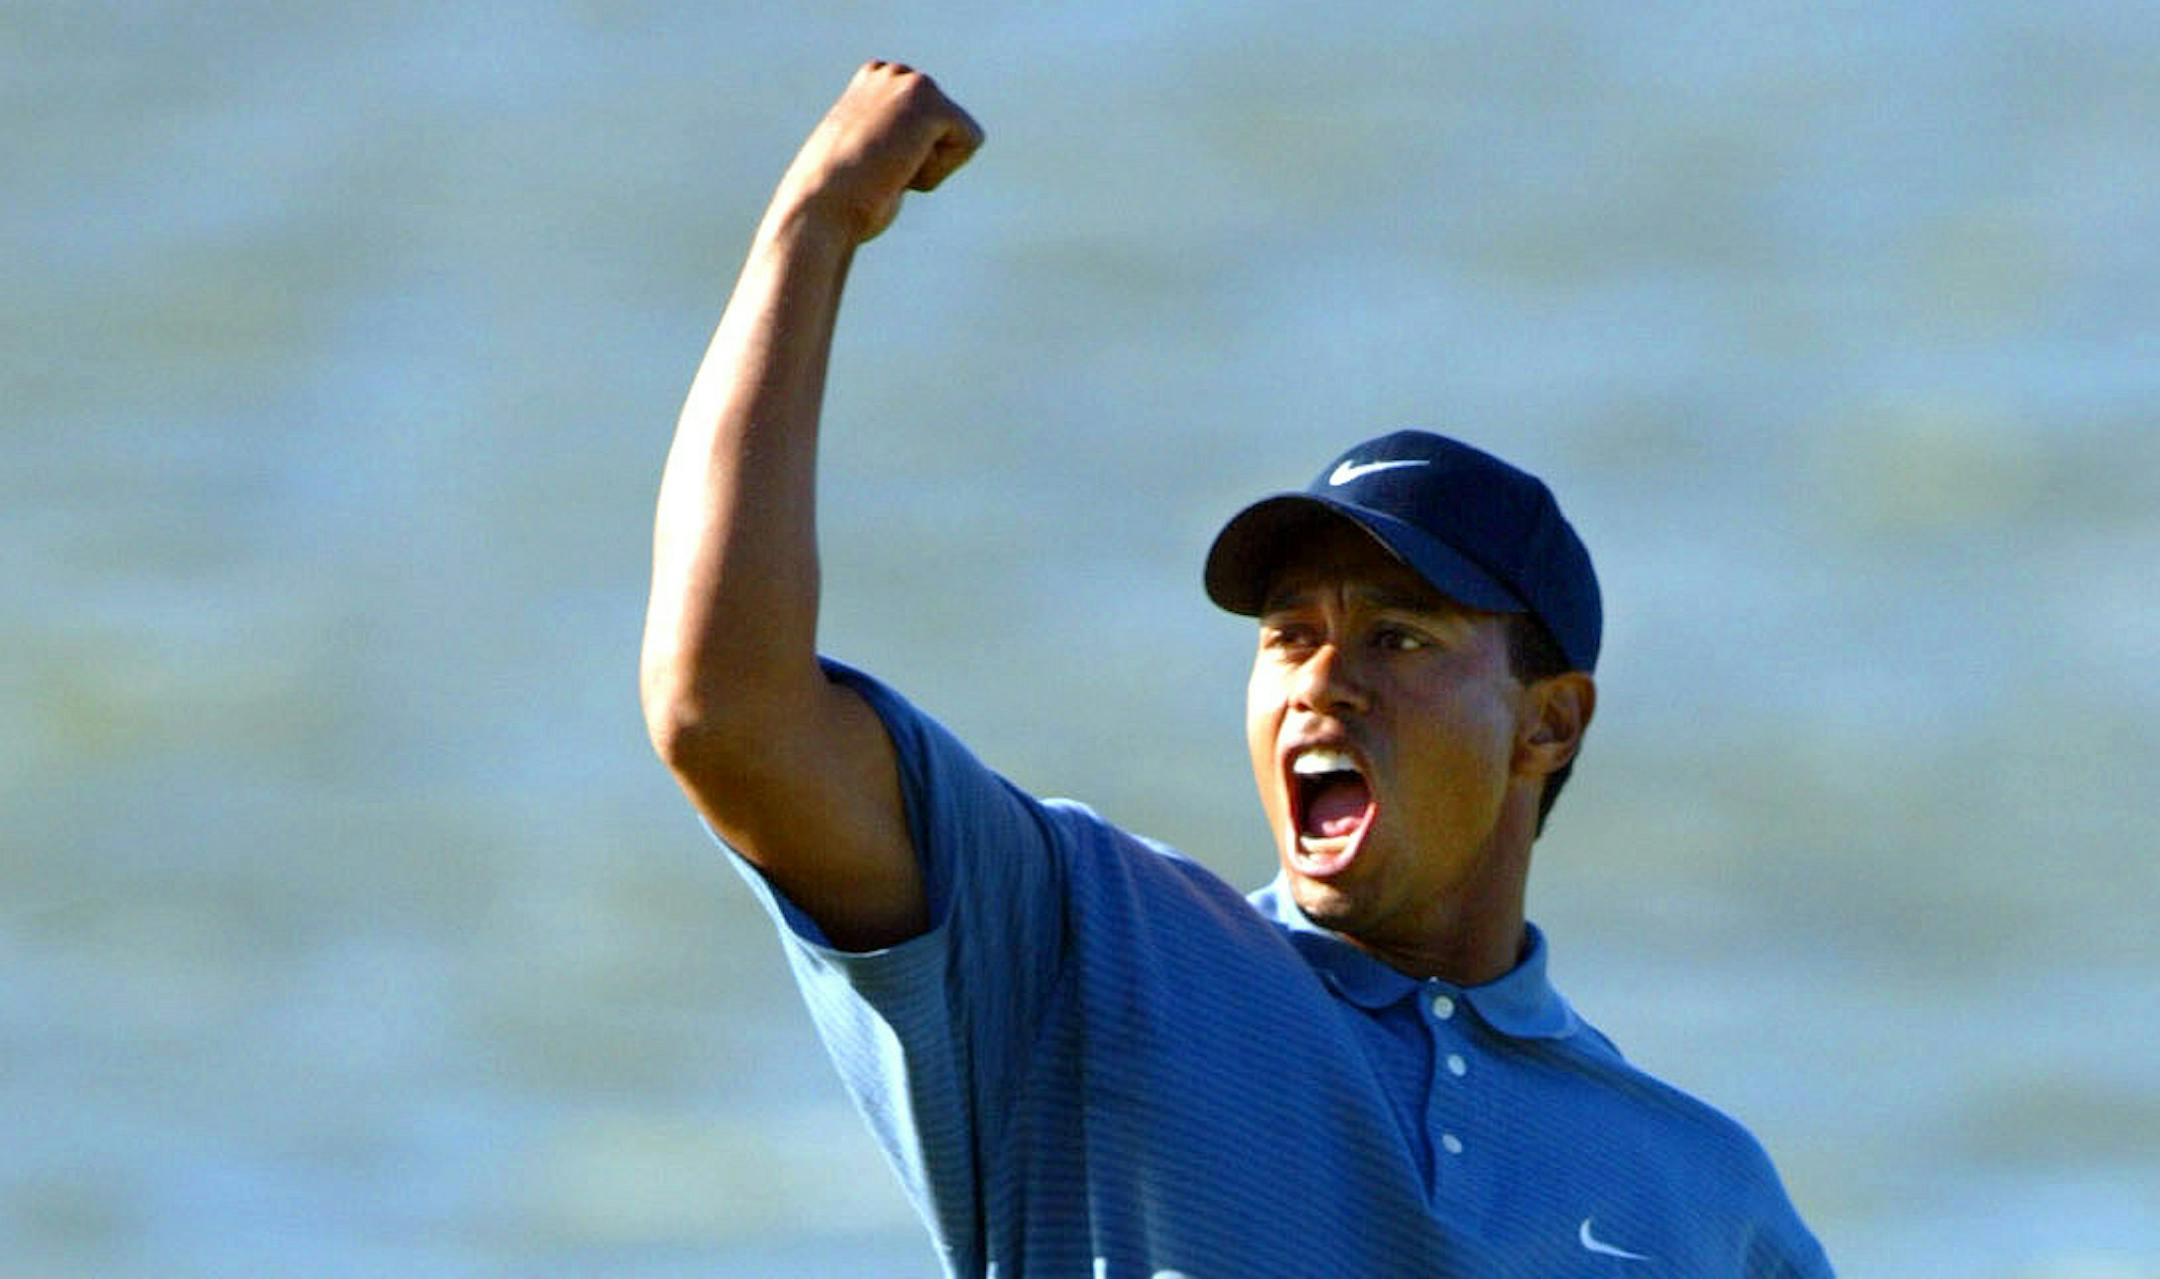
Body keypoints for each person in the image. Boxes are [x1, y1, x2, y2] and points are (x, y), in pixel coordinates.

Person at [640, 61, 1833, 1278]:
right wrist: (815, 224)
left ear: (1549, 725)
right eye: (1288, 635)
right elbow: (724, 713)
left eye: (1398, 637)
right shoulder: (1085, 943)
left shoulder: (1702, 1194)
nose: (1323, 680)